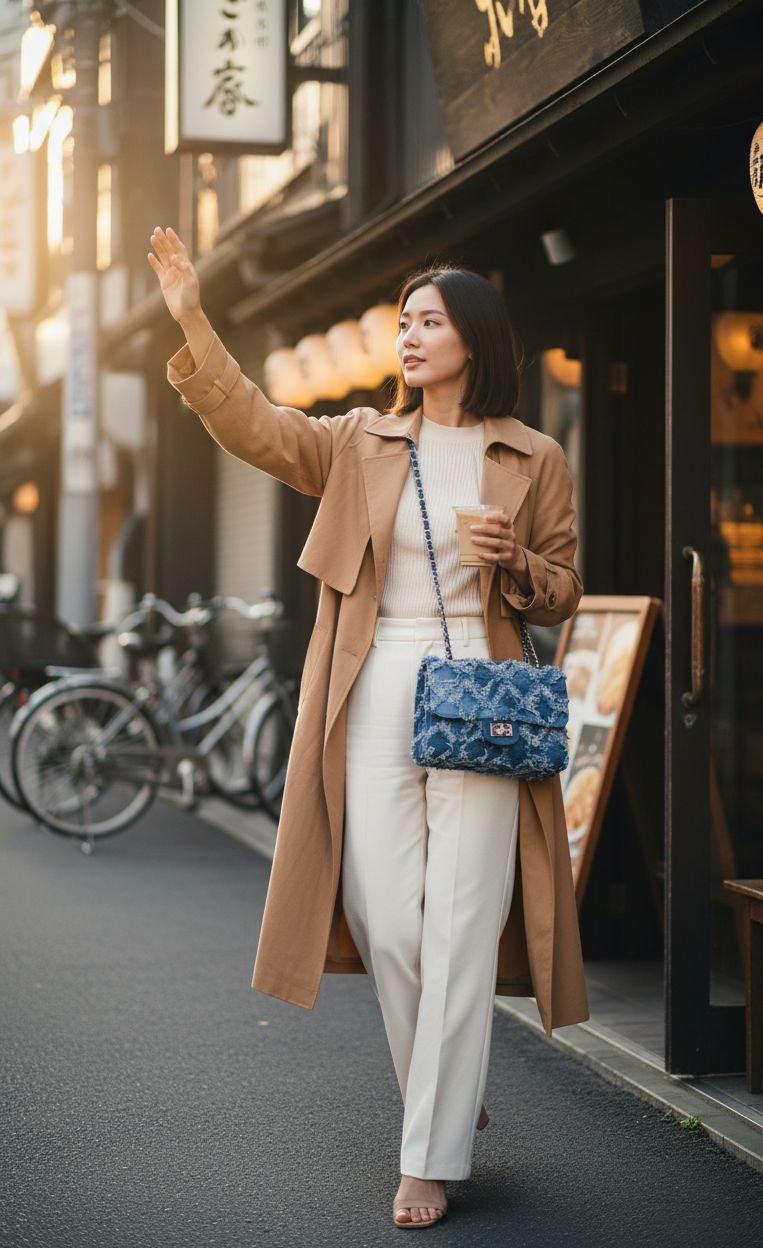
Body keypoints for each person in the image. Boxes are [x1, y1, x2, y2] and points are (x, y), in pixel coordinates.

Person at [149, 225, 589, 1229]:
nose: (409, 335)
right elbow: (257, 428)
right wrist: (191, 316)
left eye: (428, 321)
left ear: (474, 337)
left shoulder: (534, 455)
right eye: (404, 322)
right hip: (374, 678)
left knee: (464, 917)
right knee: (388, 917)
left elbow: (562, 591)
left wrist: (513, 560)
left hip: (478, 688)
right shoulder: (358, 441)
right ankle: (445, 1093)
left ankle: (426, 1159)